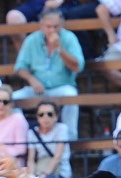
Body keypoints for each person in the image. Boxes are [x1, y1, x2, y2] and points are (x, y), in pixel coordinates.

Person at [12, 9, 84, 140]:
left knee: (71, 96)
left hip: (62, 86)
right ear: (41, 26)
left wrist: (59, 49)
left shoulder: (69, 38)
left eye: (56, 26)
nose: (52, 30)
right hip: (37, 89)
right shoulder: (31, 39)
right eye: (48, 26)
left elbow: (78, 67)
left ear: (61, 25)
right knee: (12, 99)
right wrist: (31, 79)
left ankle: (69, 140)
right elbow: (20, 67)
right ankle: (22, 138)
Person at [26, 100, 72, 178]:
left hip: (60, 173)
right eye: (41, 114)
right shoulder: (32, 133)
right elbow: (31, 160)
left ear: (56, 117)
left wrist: (43, 176)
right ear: (37, 117)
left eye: (50, 114)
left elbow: (57, 157)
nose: (45, 117)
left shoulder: (62, 129)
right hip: (40, 171)